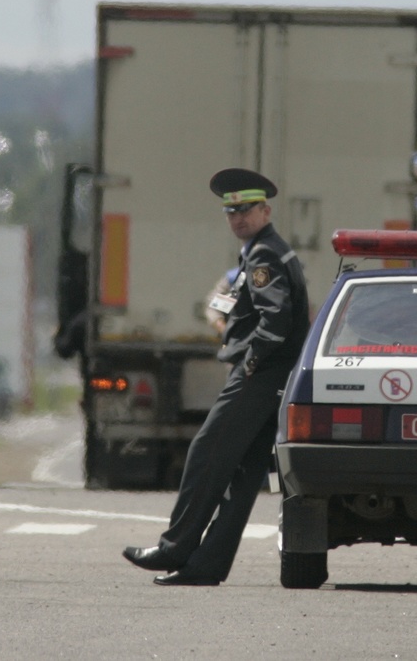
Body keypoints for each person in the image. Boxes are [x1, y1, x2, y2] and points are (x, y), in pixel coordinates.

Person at [123, 168, 310, 586]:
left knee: (206, 453)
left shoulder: (263, 254)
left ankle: (175, 547)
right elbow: (245, 307)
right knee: (241, 478)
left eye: (245, 210)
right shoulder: (263, 251)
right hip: (275, 378)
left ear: (265, 210)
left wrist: (250, 361)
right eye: (230, 212)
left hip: (260, 375)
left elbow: (275, 320)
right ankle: (206, 564)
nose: (237, 219)